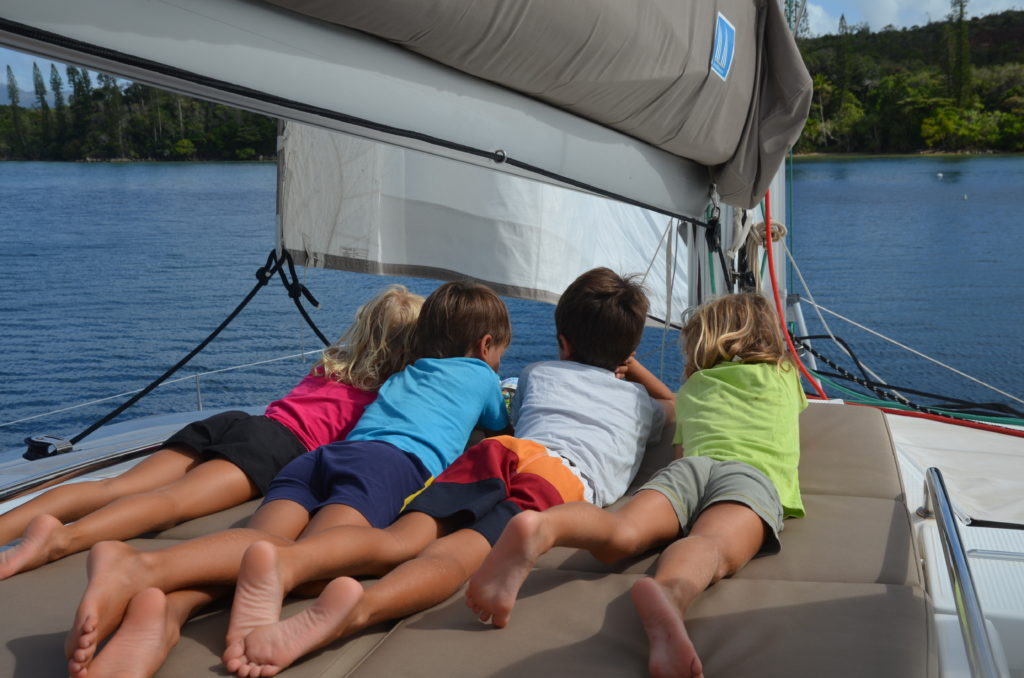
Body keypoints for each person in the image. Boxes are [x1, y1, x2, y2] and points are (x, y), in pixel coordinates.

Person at [219, 267, 675, 678]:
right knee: (450, 560)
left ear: (562, 343)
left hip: (503, 451)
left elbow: (510, 409)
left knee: (401, 540)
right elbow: (671, 405)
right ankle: (359, 610)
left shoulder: (539, 373)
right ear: (628, 351)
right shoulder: (639, 403)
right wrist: (630, 365)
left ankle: (289, 561)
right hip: (559, 478)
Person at [65, 280, 512, 678]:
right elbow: (503, 432)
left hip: (321, 458)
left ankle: (168, 608)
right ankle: (142, 568)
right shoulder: (483, 378)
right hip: (388, 466)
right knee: (311, 563)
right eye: (499, 354)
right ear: (486, 345)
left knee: (261, 546)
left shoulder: (406, 374)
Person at [464, 292, 808, 678]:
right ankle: (669, 593)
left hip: (689, 470)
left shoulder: (696, 386)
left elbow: (680, 453)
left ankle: (545, 527)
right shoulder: (785, 376)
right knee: (710, 545)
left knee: (622, 530)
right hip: (749, 478)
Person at [0, 284, 424, 580]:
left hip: (236, 422)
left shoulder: (330, 365)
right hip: (276, 445)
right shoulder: (389, 393)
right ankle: (60, 541)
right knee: (168, 503)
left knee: (113, 486)